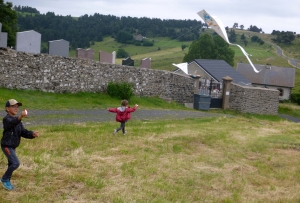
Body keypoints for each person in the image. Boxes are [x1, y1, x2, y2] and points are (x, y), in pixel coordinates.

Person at [1, 99, 39, 190]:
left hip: (13, 146)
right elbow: (11, 123)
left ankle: (7, 182)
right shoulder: (7, 119)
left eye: (17, 107)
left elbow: (23, 132)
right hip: (7, 146)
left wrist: (32, 134)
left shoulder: (18, 121)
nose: (16, 108)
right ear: (7, 108)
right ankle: (5, 179)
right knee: (15, 163)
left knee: (11, 164)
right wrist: (20, 116)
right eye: (13, 106)